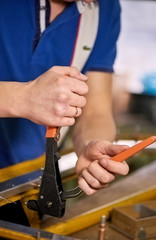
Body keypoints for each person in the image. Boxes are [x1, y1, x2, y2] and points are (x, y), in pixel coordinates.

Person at [0, 0, 129, 196]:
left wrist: (91, 146)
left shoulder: (104, 8)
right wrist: (21, 98)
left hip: (28, 183)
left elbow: (96, 112)